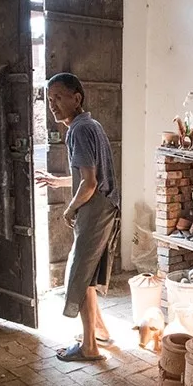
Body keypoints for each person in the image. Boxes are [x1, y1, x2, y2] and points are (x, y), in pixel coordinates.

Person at [35, 73, 120, 362]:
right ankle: (100, 332)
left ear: (77, 98)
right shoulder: (90, 125)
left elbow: (90, 183)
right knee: (87, 274)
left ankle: (89, 348)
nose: (53, 105)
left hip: (95, 209)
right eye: (49, 99)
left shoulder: (79, 131)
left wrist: (69, 209)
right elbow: (88, 177)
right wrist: (58, 181)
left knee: (79, 276)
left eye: (59, 97)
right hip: (104, 207)